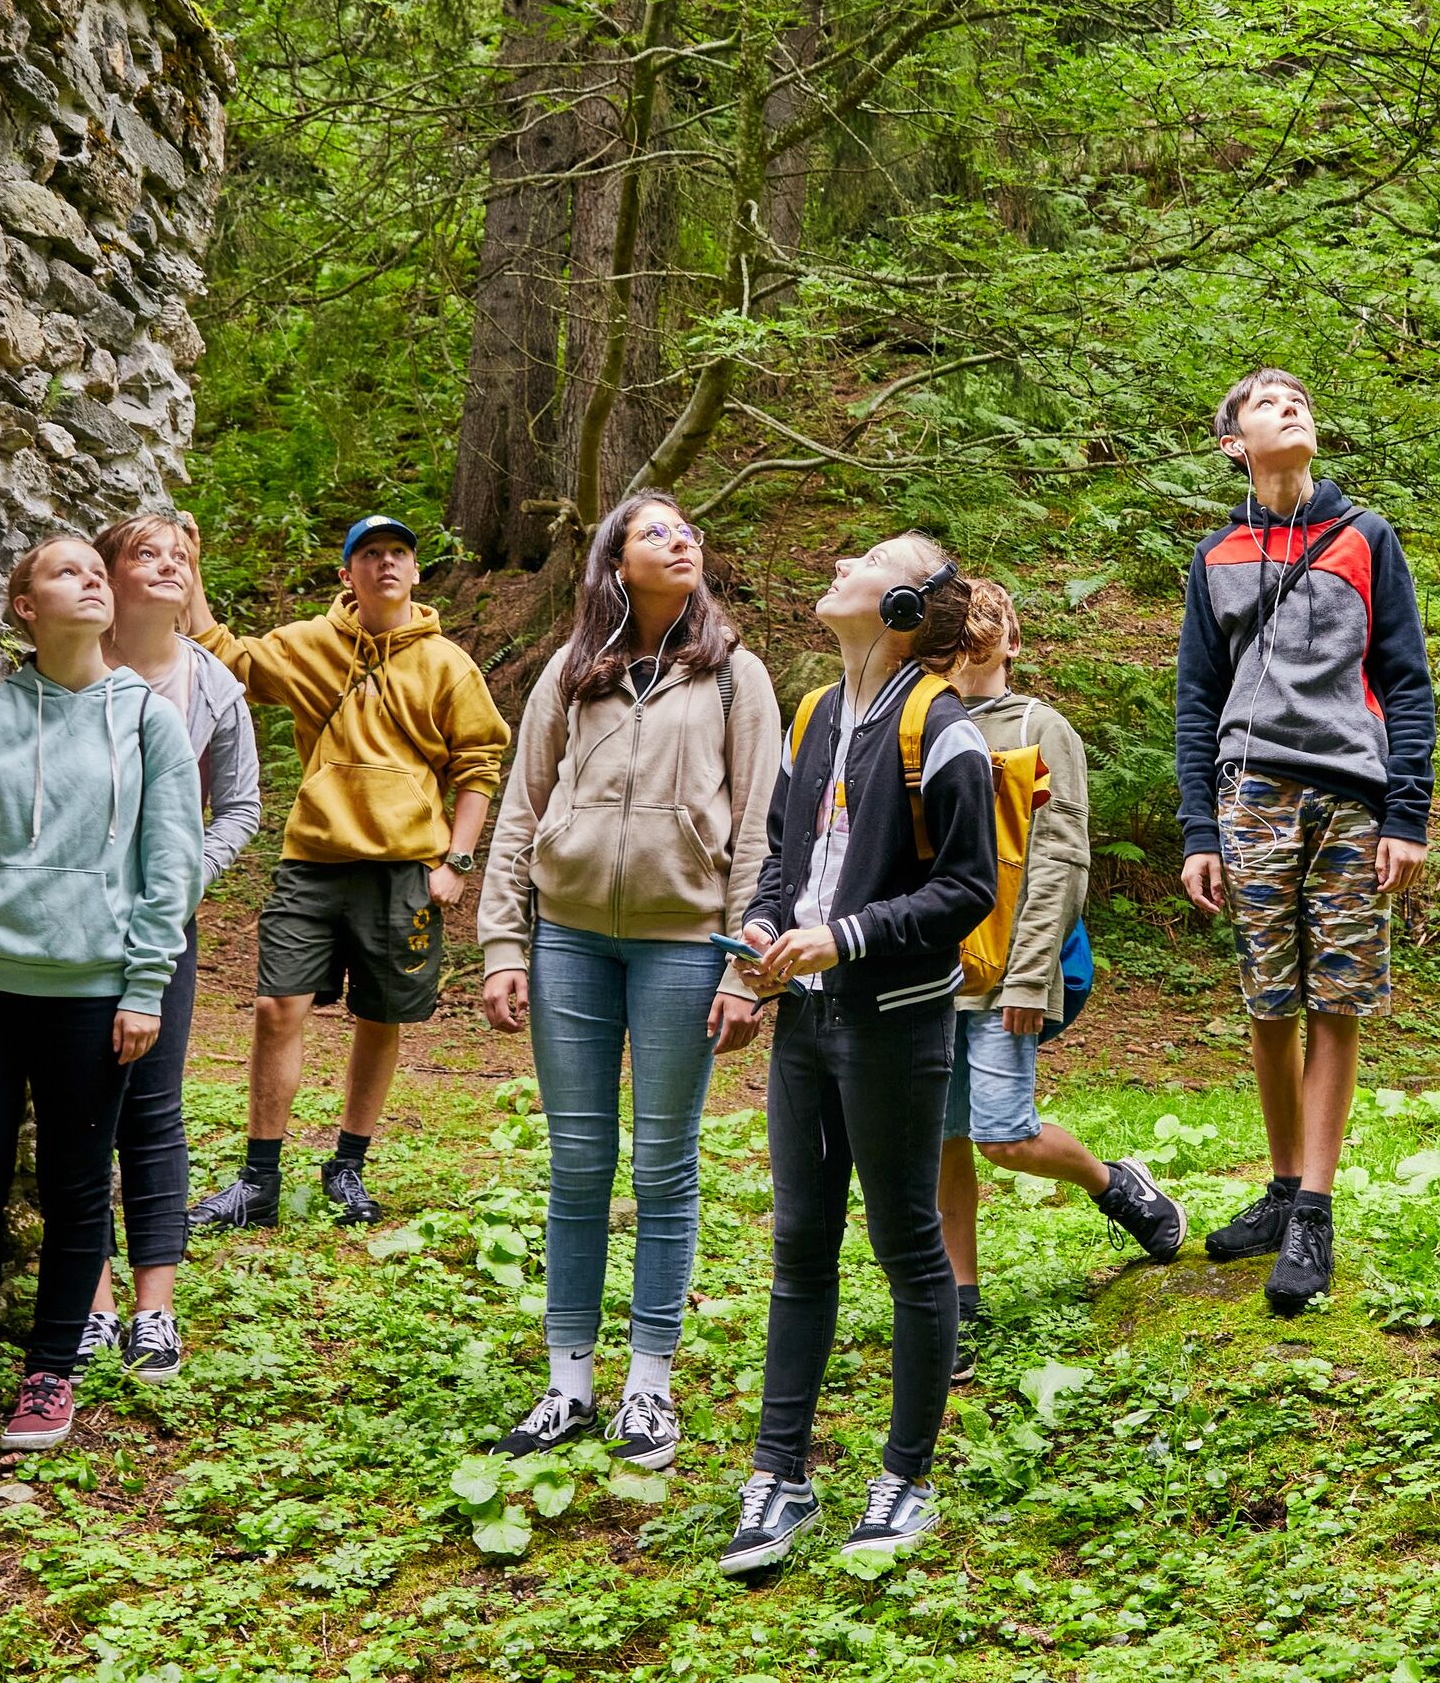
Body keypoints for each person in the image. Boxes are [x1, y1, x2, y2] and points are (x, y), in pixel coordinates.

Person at [473, 493, 781, 1473]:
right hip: (567, 941)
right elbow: (520, 811)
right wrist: (502, 945)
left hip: (684, 948)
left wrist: (746, 967)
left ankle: (649, 1383)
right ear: (615, 561)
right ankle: (568, 1383)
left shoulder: (737, 678)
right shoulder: (570, 676)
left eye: (686, 531)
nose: (681, 540)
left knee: (661, 1166)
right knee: (576, 1163)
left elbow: (762, 831)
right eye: (656, 532)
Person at [709, 535, 996, 1575]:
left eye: (870, 558)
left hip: (894, 1020)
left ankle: (906, 1480)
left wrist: (848, 936)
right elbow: (790, 856)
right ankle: (778, 1475)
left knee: (908, 1246)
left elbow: (969, 891)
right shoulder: (817, 713)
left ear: (907, 602)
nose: (838, 562)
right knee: (799, 1241)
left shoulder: (945, 731)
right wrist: (760, 941)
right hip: (806, 1023)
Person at [0, 537, 204, 1455]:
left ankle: (50, 1373)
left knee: (73, 1187)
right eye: (66, 571)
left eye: (95, 571)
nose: (92, 578)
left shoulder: (147, 719)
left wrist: (143, 987)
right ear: (24, 606)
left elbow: (170, 868)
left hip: (95, 995)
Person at [1174, 370, 1436, 1316]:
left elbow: (1406, 681)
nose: (1292, 406)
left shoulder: (1367, 537)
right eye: (1266, 401)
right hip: (1250, 796)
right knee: (1269, 996)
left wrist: (1407, 813)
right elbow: (1197, 700)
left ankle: (1315, 1210)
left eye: (1301, 398)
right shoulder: (1216, 556)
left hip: (1353, 799)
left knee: (1339, 995)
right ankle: (1282, 1188)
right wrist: (1200, 827)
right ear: (1232, 442)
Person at [184, 515, 508, 1230]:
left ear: (416, 572)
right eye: (370, 554)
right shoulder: (309, 644)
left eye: (399, 553)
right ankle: (259, 1179)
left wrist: (457, 859)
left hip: (404, 868)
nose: (386, 563)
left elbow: (478, 765)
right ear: (347, 574)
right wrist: (192, 571)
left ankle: (348, 1164)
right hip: (314, 860)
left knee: (380, 1015)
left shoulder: (448, 663)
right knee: (277, 1007)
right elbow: (226, 659)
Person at [932, 581, 1182, 1382]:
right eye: (958, 632)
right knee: (944, 1140)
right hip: (928, 977)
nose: (973, 646)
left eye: (986, 630)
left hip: (1007, 972)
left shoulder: (1042, 728)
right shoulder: (921, 723)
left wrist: (1029, 976)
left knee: (1003, 1134)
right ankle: (957, 1305)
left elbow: (1061, 859)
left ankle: (1114, 1184)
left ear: (1012, 640)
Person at [77, 514, 261, 1381]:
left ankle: (156, 1311)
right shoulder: (70, 666)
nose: (170, 564)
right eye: (148, 553)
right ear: (110, 573)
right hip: (64, 924)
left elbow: (242, 806)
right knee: (80, 1107)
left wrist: (187, 877)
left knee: (153, 1107)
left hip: (162, 923)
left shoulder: (213, 684)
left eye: (181, 554)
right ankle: (90, 1303)